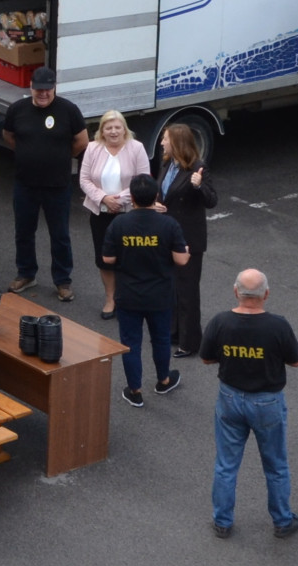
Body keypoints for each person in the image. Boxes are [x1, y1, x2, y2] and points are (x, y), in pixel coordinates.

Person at [200, 269, 298, 540]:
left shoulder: (221, 322)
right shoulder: (278, 326)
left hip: (230, 398)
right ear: (266, 294)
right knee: (276, 465)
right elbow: (295, 361)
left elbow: (207, 358)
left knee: (226, 464)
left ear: (236, 292)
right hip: (267, 401)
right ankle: (282, 520)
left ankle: (222, 521)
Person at [2, 66, 89, 302]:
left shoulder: (68, 110)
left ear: (54, 88)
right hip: (25, 184)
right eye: (38, 89)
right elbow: (8, 135)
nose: (43, 94)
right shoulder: (17, 109)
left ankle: (62, 281)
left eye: (47, 89)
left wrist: (60, 156)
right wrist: (27, 153)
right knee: (24, 232)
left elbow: (82, 140)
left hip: (57, 185)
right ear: (31, 87)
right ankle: (26, 274)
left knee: (59, 234)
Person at [102, 174, 189, 408]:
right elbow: (181, 260)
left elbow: (107, 257)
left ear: (131, 198)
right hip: (160, 295)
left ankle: (135, 390)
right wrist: (186, 250)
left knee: (131, 343)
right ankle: (163, 380)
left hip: (128, 294)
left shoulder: (119, 224)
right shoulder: (169, 225)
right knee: (160, 339)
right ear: (156, 196)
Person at [79, 110, 152, 320]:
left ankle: (129, 299)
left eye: (117, 127)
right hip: (100, 213)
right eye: (108, 128)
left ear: (124, 129)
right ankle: (110, 299)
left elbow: (143, 180)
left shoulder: (136, 148)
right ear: (101, 131)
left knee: (130, 258)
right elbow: (84, 180)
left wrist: (119, 200)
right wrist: (103, 198)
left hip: (129, 213)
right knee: (105, 259)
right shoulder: (92, 148)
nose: (113, 132)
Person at [157, 123, 217, 359]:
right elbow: (163, 192)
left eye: (165, 138)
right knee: (171, 287)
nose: (162, 142)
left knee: (187, 291)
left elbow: (212, 200)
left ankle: (190, 341)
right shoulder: (166, 163)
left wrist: (199, 186)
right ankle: (174, 333)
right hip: (169, 235)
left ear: (178, 142)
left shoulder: (198, 168)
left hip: (189, 239)